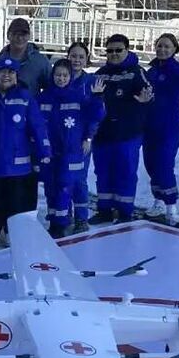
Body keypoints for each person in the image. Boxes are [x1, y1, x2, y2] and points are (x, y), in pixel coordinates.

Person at [0, 56, 50, 246]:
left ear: (16, 76)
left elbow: (37, 125)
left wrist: (44, 150)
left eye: (11, 72)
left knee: (14, 198)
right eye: (2, 71)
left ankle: (10, 231)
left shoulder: (25, 97)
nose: (6, 76)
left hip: (18, 161)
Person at [91, 34, 153, 224]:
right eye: (110, 51)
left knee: (125, 172)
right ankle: (105, 210)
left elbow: (148, 94)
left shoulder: (136, 72)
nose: (114, 54)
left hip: (127, 134)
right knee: (102, 173)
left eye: (118, 50)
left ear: (127, 50)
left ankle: (125, 211)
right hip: (103, 134)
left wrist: (146, 99)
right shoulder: (100, 73)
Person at [40, 58, 102, 238]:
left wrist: (88, 137)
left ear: (70, 77)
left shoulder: (78, 96)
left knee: (67, 186)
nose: (61, 78)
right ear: (53, 76)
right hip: (50, 151)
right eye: (58, 75)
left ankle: (65, 223)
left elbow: (95, 116)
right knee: (51, 186)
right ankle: (55, 220)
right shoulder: (44, 98)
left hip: (72, 150)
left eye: (65, 75)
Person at [142, 33, 179, 225]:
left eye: (167, 47)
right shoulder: (150, 72)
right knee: (151, 165)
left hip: (170, 126)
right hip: (149, 125)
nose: (162, 49)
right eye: (159, 46)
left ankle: (172, 207)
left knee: (164, 164)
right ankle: (158, 201)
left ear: (175, 49)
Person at [65, 41, 96, 231]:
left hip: (81, 139)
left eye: (81, 57)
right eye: (73, 56)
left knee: (79, 179)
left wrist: (89, 137)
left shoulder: (90, 82)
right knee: (63, 178)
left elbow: (96, 112)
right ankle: (64, 215)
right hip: (62, 139)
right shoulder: (60, 77)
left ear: (86, 60)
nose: (76, 60)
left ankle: (81, 218)